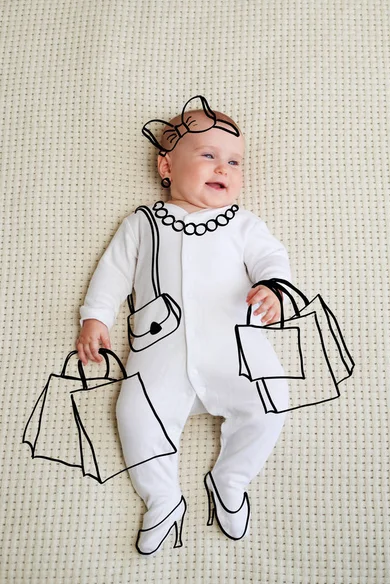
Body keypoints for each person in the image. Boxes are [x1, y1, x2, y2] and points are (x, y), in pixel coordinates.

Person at [76, 96, 292, 556]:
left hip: (237, 352)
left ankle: (231, 480)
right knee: (133, 415)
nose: (224, 168)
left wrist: (273, 287)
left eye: (235, 160)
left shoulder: (242, 224)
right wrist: (95, 316)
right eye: (209, 155)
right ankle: (162, 499)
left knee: (271, 403)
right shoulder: (142, 223)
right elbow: (112, 273)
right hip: (160, 354)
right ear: (166, 166)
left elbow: (273, 258)